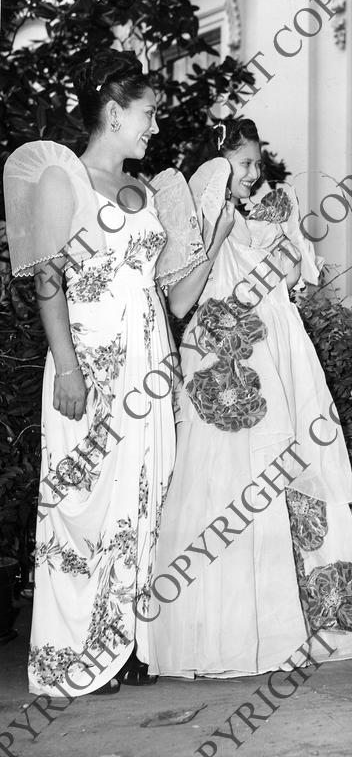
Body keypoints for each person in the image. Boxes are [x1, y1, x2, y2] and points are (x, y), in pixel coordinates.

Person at [148, 119, 352, 678]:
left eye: (258, 163)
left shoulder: (279, 204)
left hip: (278, 349)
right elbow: (180, 301)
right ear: (218, 164)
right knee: (222, 481)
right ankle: (224, 630)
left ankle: (292, 624)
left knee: (291, 476)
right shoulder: (196, 213)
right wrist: (218, 233)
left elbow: (300, 279)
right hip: (222, 354)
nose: (255, 173)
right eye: (244, 164)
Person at [2, 50, 191, 695]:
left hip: (149, 361)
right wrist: (68, 368)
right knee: (84, 500)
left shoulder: (143, 190)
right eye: (148, 114)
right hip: (93, 359)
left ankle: (126, 643)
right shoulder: (66, 180)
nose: (155, 128)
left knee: (145, 498)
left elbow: (163, 289)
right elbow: (49, 280)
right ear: (114, 113)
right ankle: (76, 649)